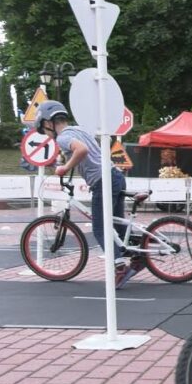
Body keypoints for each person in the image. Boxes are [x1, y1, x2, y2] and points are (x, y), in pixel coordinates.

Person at [35, 100, 142, 288]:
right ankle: (138, 257)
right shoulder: (79, 130)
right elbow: (85, 152)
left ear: (48, 123)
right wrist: (67, 163)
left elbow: (81, 150)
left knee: (99, 228)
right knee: (116, 222)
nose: (47, 135)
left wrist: (65, 167)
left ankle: (119, 267)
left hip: (103, 181)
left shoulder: (62, 138)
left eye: (44, 130)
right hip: (115, 175)